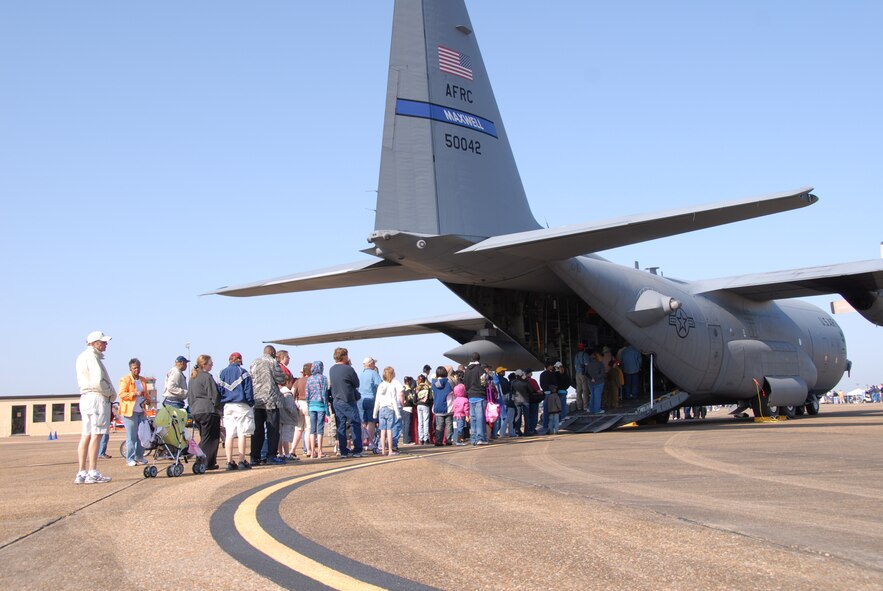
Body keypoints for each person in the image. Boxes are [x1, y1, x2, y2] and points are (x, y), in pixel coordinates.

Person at [74, 331, 115, 484]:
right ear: (95, 343)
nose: (105, 344)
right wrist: (110, 393)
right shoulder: (92, 357)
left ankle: (82, 472)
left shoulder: (81, 357)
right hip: (96, 397)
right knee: (97, 434)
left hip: (85, 397)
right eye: (103, 342)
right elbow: (98, 381)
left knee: (86, 434)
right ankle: (92, 470)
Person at [249, 345, 287, 465]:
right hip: (271, 400)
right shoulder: (273, 362)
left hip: (257, 400)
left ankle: (255, 457)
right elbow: (281, 379)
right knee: (273, 429)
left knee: (257, 430)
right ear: (272, 353)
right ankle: (271, 456)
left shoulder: (254, 362)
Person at [218, 352, 254, 470]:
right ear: (239, 360)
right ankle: (242, 460)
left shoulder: (221, 373)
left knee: (229, 434)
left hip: (228, 406)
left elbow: (219, 390)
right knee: (242, 433)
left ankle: (229, 461)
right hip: (241, 405)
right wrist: (250, 403)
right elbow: (248, 390)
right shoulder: (243, 372)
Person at [187, 354, 221, 470]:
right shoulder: (207, 377)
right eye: (210, 364)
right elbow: (214, 395)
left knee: (205, 436)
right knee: (211, 438)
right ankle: (204, 462)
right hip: (208, 410)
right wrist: (217, 406)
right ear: (204, 365)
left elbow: (189, 397)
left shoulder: (192, 378)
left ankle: (208, 462)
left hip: (196, 410)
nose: (212, 366)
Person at [328, 347, 363, 458]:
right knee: (355, 423)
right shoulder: (348, 369)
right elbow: (356, 383)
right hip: (348, 399)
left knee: (341, 425)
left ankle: (343, 450)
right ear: (344, 356)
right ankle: (357, 449)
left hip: (336, 400)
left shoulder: (332, 369)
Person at [118, 358, 152, 467]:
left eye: (138, 367)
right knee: (131, 436)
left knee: (142, 435)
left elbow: (146, 394)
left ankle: (139, 456)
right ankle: (130, 458)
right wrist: (134, 393)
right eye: (134, 368)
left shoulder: (142, 380)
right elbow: (122, 394)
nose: (137, 370)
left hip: (141, 411)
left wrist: (148, 400)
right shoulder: (125, 379)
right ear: (130, 368)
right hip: (130, 412)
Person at [373, 366, 402, 455]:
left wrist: (375, 413)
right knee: (389, 430)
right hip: (390, 409)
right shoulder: (391, 386)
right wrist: (397, 413)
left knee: (382, 430)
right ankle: (390, 450)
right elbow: (393, 401)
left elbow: (377, 400)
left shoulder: (380, 386)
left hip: (381, 410)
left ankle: (382, 450)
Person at [463, 352, 488, 445]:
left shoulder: (467, 370)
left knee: (473, 418)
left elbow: (465, 383)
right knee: (480, 418)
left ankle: (473, 439)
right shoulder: (480, 369)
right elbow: (484, 382)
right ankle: (480, 438)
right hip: (479, 395)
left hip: (470, 396)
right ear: (479, 359)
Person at [306, 361, 329, 459]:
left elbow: (307, 394)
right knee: (320, 429)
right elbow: (324, 394)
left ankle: (312, 452)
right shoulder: (323, 378)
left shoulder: (309, 379)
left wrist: (308, 404)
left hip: (311, 405)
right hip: (320, 405)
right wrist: (326, 407)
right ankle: (320, 451)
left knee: (312, 429)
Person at [358, 356, 381, 451]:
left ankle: (363, 441)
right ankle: (370, 442)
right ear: (370, 364)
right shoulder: (374, 373)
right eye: (374, 363)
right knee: (371, 422)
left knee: (363, 422)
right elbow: (380, 386)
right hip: (371, 399)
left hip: (360, 400)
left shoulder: (360, 374)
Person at [292, 362, 311, 458]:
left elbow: (292, 392)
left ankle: (292, 449)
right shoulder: (311, 380)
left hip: (299, 404)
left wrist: (295, 403)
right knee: (308, 429)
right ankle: (309, 450)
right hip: (308, 404)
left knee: (298, 429)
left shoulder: (298, 381)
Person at [431, 366, 453, 446]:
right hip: (448, 406)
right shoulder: (449, 382)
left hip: (437, 406)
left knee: (439, 425)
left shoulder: (433, 383)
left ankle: (438, 441)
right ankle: (448, 440)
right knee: (449, 425)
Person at [278, 377, 299, 460]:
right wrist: (295, 415)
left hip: (280, 417)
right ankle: (287, 454)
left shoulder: (279, 392)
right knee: (286, 437)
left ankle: (280, 453)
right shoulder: (288, 393)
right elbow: (290, 407)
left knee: (280, 437)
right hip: (287, 418)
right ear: (287, 382)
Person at [539, 360, 558, 433]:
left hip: (545, 393)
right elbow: (555, 383)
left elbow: (541, 383)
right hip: (551, 394)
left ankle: (545, 426)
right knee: (553, 411)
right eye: (551, 365)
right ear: (549, 366)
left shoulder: (542, 374)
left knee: (545, 410)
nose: (552, 366)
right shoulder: (551, 374)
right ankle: (552, 427)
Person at [510, 369, 531, 436]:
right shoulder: (526, 382)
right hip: (525, 400)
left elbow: (511, 391)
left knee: (518, 416)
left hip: (516, 401)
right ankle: (526, 432)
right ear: (522, 374)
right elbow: (531, 390)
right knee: (526, 417)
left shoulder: (513, 382)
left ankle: (518, 431)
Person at [585, 348, 606, 414]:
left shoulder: (588, 363)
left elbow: (586, 373)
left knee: (592, 395)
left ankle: (591, 408)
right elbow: (602, 373)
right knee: (597, 396)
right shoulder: (600, 363)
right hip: (599, 382)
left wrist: (591, 379)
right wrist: (596, 378)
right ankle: (597, 410)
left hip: (590, 382)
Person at [415, 374, 433, 444]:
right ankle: (426, 438)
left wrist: (416, 402)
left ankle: (421, 438)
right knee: (426, 421)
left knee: (420, 422)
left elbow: (414, 399)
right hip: (426, 405)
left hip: (419, 405)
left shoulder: (417, 388)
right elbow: (431, 397)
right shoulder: (427, 387)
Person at [400, 376, 417, 445]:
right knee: (407, 424)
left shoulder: (402, 388)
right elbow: (411, 399)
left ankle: (405, 439)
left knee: (404, 425)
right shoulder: (408, 390)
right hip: (408, 408)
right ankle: (407, 440)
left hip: (403, 408)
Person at [574, 342, 590, 411]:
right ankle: (585, 406)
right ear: (584, 348)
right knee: (585, 390)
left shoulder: (576, 355)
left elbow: (575, 366)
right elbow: (587, 364)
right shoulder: (585, 355)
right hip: (583, 374)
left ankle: (579, 406)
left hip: (577, 374)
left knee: (579, 390)